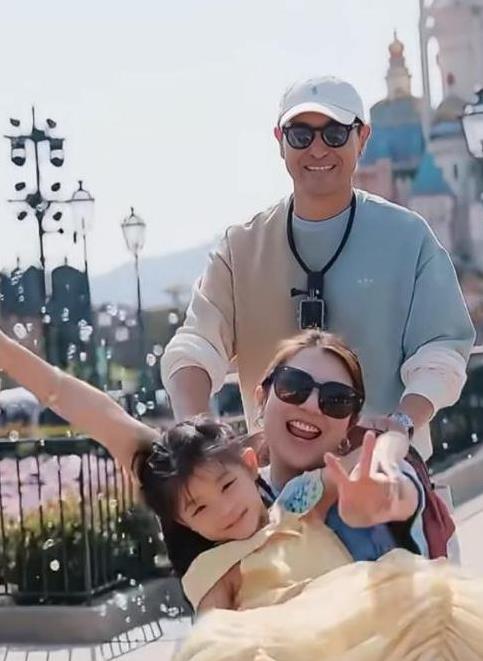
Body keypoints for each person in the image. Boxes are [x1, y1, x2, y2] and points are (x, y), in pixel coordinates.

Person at [161, 75, 475, 464]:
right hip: (276, 488)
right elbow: (195, 346)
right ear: (280, 140)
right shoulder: (240, 247)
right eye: (301, 135)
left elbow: (442, 349)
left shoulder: (409, 237)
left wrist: (400, 424)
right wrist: (199, 444)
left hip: (382, 476)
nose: (318, 148)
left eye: (335, 133)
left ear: (362, 137)